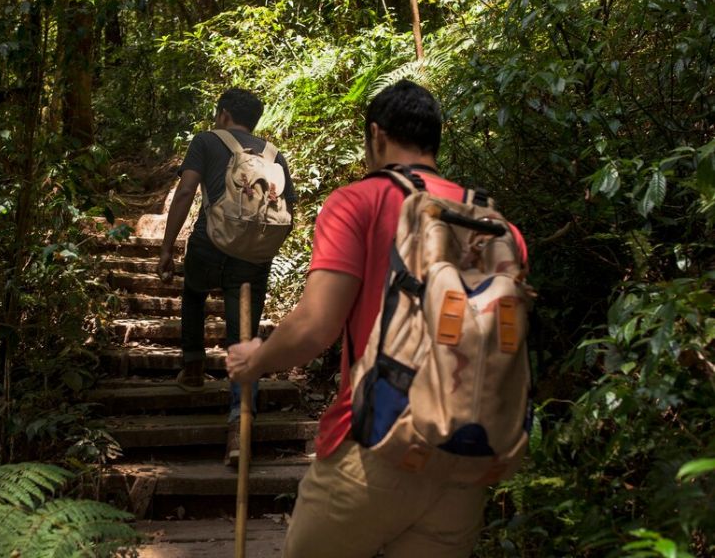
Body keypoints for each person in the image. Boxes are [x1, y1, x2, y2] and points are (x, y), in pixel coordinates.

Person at [226, 79, 529, 557]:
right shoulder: (495, 227)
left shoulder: (358, 201)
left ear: (377, 136)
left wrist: (257, 360)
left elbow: (315, 326)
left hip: (376, 443)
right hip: (467, 459)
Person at [158, 88, 297, 467]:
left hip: (210, 242)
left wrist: (168, 247)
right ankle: (239, 423)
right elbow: (289, 210)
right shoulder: (273, 155)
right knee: (243, 335)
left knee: (193, 293)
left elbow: (187, 190)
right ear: (254, 120)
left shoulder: (206, 140)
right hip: (253, 254)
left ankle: (193, 368)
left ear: (223, 114)